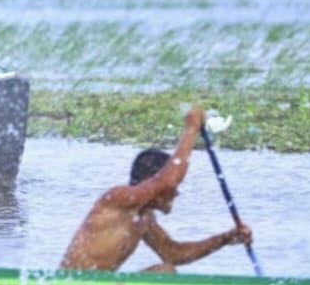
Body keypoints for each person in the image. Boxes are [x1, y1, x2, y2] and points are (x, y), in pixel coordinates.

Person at [60, 107, 253, 272]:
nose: (176, 192)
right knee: (165, 272)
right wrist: (191, 128)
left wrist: (225, 239)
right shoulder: (118, 199)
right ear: (150, 183)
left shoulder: (144, 217)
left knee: (165, 269)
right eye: (175, 186)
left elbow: (173, 253)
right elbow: (168, 181)